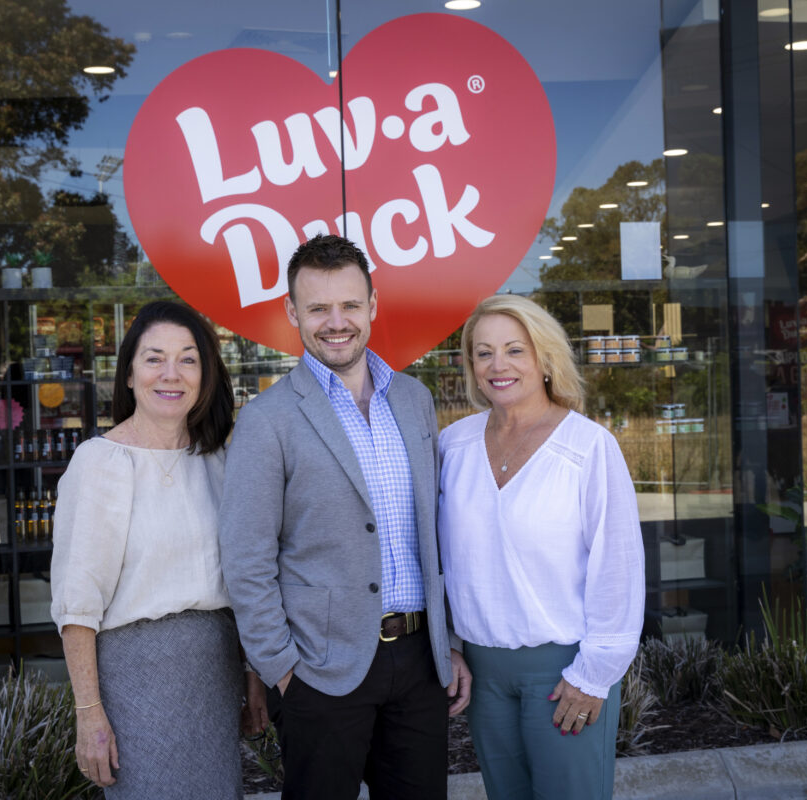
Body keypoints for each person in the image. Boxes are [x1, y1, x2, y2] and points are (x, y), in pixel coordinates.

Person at [220, 234, 471, 800]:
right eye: (318, 308)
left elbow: (436, 536)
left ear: (373, 305)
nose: (337, 323)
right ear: (292, 312)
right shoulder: (267, 421)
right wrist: (283, 670)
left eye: (350, 305)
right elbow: (246, 560)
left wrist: (448, 641)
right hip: (320, 669)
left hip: (419, 662)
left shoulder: (414, 399)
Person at [50, 301, 268, 798]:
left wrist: (252, 674)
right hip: (135, 679)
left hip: (215, 675)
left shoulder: (218, 461)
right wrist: (89, 713)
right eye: (154, 359)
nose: (171, 374)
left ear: (204, 375)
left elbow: (244, 580)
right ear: (129, 374)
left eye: (188, 359)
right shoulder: (100, 463)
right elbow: (77, 604)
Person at [437, 294, 644, 800]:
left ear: (545, 358)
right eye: (483, 353)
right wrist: (452, 646)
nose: (498, 365)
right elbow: (445, 561)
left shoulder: (588, 447)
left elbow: (617, 568)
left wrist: (594, 675)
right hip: (483, 673)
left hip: (563, 671)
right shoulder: (453, 446)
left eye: (515, 350)